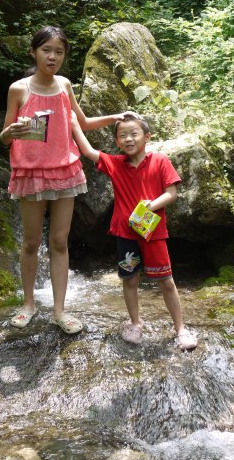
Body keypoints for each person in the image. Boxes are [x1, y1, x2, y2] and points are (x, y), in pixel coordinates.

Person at [0, 25, 131, 335]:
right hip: (31, 171)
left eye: (59, 52)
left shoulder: (64, 86)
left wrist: (114, 118)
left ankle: (60, 310)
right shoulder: (19, 89)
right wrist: (12, 132)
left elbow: (82, 122)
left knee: (60, 241)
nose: (53, 57)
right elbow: (4, 137)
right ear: (33, 52)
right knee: (32, 242)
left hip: (65, 170)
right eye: (47, 50)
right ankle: (29, 305)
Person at [71, 111, 197, 350]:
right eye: (123, 136)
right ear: (117, 142)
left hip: (153, 232)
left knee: (166, 281)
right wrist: (75, 124)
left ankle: (180, 328)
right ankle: (135, 323)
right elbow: (88, 152)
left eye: (134, 134)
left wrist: (152, 204)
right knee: (129, 280)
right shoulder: (116, 164)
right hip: (125, 233)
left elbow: (172, 193)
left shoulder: (160, 161)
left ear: (147, 136)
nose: (129, 139)